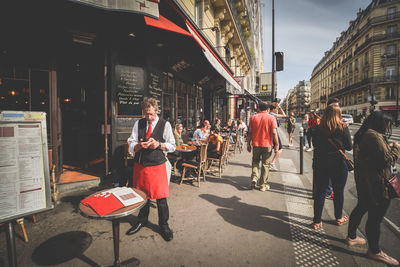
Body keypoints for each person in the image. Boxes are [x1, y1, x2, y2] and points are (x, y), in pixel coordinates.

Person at [346, 111, 400, 266]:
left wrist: (386, 147)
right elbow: (386, 160)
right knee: (375, 217)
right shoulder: (374, 136)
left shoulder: (363, 133)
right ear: (381, 123)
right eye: (388, 123)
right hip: (377, 183)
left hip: (365, 181)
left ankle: (351, 237)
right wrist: (396, 148)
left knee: (362, 206)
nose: (389, 126)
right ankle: (375, 251)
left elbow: (373, 155)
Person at [126, 97, 176, 241]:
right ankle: (142, 220)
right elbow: (131, 141)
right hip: (141, 165)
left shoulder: (164, 125)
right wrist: (138, 146)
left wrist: (159, 145)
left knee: (161, 198)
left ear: (156, 111)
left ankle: (164, 225)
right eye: (146, 114)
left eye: (151, 114)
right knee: (143, 196)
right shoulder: (139, 123)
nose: (149, 117)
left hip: (157, 166)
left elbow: (172, 145)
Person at [311, 105, 352, 230]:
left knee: (320, 192)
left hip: (320, 163)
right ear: (338, 115)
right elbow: (349, 147)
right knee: (338, 191)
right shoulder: (343, 128)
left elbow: (315, 144)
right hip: (338, 164)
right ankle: (338, 218)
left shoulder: (317, 128)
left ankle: (317, 221)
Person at [247, 102, 279, 191]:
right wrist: (277, 144)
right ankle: (262, 185)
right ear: (267, 109)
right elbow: (274, 132)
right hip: (267, 144)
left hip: (256, 144)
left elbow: (250, 132)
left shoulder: (253, 118)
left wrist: (248, 143)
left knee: (255, 161)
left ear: (258, 108)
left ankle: (254, 177)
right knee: (266, 165)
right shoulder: (271, 118)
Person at [269, 103, 286, 171]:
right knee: (279, 148)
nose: (277, 110)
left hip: (269, 134)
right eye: (277, 109)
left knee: (272, 148)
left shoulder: (269, 114)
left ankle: (270, 163)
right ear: (273, 109)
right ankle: (272, 163)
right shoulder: (273, 114)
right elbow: (284, 115)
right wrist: (280, 107)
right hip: (274, 133)